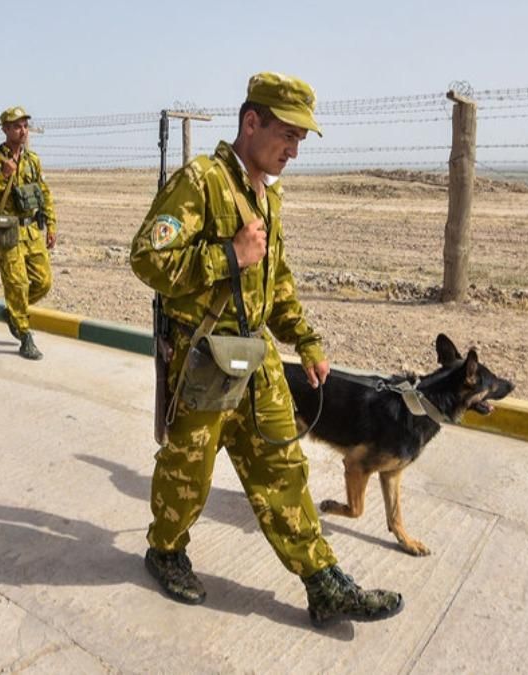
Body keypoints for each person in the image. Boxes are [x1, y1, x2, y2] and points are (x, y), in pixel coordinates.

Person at [129, 72, 404, 628]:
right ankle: (164, 550)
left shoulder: (266, 197)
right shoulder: (201, 181)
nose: (294, 150)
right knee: (188, 474)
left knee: (283, 468)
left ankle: (323, 580)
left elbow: (276, 284)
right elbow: (146, 260)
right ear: (251, 122)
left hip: (256, 361)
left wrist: (306, 340)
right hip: (202, 360)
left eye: (302, 139)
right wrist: (227, 255)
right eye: (287, 134)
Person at [0, 106, 57, 360]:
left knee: (43, 282)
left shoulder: (32, 160)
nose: (23, 130)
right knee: (17, 284)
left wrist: (51, 223)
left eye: (25, 125)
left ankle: (14, 311)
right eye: (17, 126)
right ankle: (24, 335)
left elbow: (44, 193)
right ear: (5, 130)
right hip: (8, 231)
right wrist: (3, 175)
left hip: (31, 230)